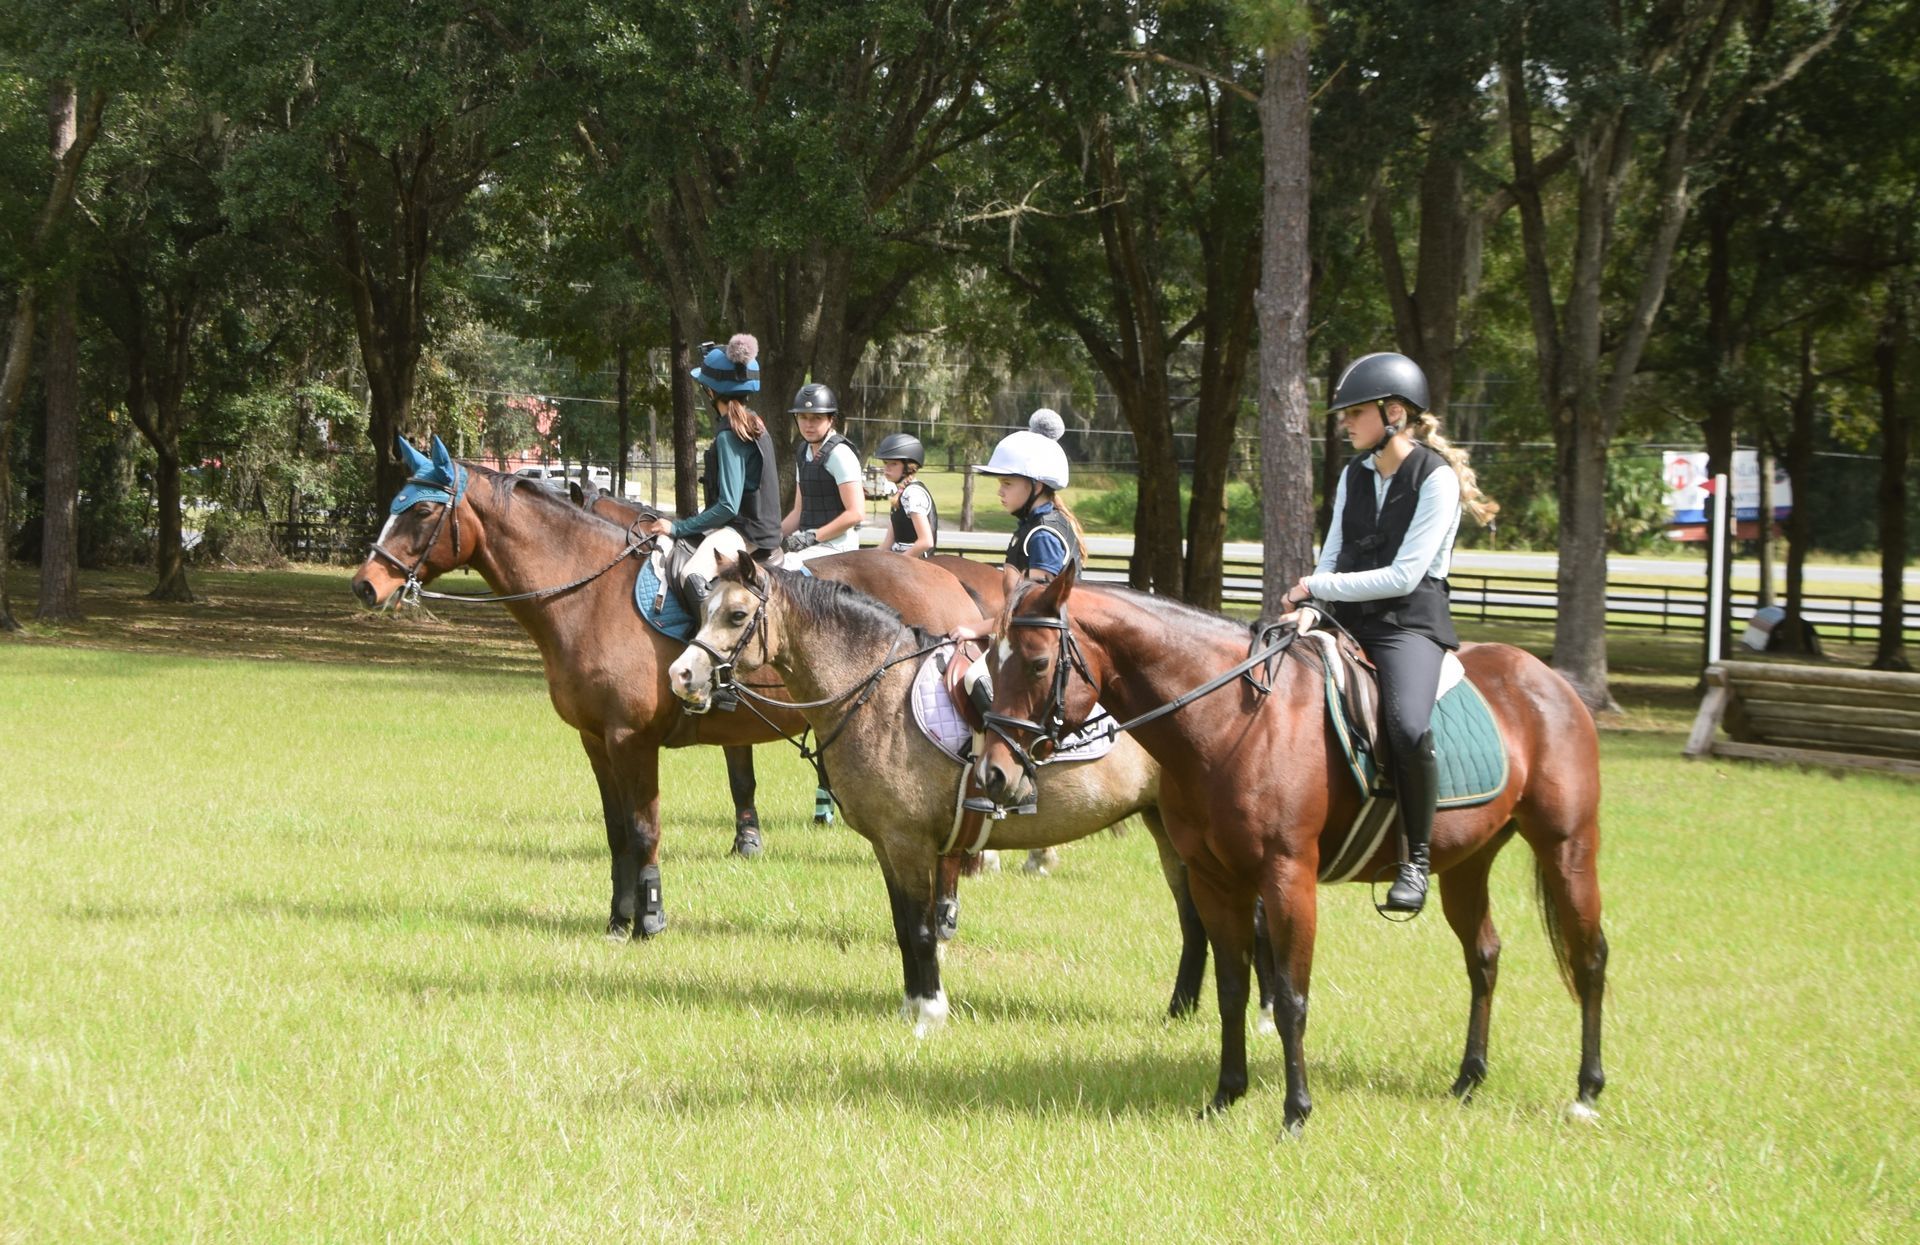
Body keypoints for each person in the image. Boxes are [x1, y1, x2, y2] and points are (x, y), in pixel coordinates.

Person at [1278, 351, 1498, 916]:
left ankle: (1415, 859)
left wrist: (1315, 585)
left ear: (1393, 413)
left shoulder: (1436, 478)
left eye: (1355, 413)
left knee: (1406, 726)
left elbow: (1404, 575)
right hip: (1346, 618)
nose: (1345, 423)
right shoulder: (1354, 474)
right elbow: (1332, 556)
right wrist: (1313, 605)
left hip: (1408, 624)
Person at [639, 334, 782, 600]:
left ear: (711, 391)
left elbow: (728, 506)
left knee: (691, 574)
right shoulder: (754, 422)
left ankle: (708, 629)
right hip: (755, 529)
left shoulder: (730, 434)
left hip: (745, 533)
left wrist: (678, 528)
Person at [780, 383, 866, 567]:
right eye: (803, 417)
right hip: (810, 544)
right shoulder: (803, 452)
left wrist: (812, 537)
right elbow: (798, 512)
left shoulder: (840, 454)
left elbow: (856, 513)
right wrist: (771, 538)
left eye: (816, 418)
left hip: (838, 547)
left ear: (830, 420)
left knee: (783, 569)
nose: (808, 424)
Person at [874, 432, 938, 558]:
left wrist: (898, 562)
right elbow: (887, 544)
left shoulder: (913, 493)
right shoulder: (900, 493)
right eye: (886, 462)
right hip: (899, 559)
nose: (887, 468)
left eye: (894, 463)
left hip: (915, 562)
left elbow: (926, 541)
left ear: (908, 467)